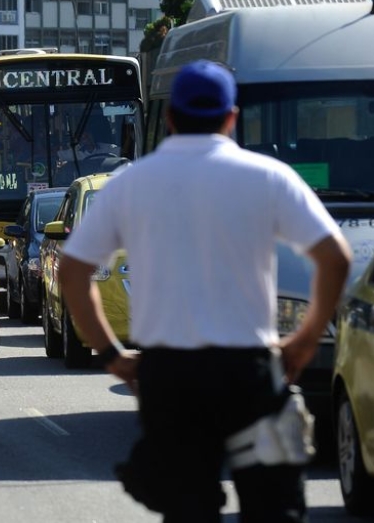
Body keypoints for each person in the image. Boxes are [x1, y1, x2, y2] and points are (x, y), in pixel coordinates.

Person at [56, 60, 350, 523]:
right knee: (274, 507)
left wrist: (112, 354)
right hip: (248, 371)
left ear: (170, 117)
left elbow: (72, 272)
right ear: (231, 117)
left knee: (187, 510)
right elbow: (335, 258)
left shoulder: (131, 184)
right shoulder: (267, 176)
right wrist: (306, 338)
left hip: (169, 376)